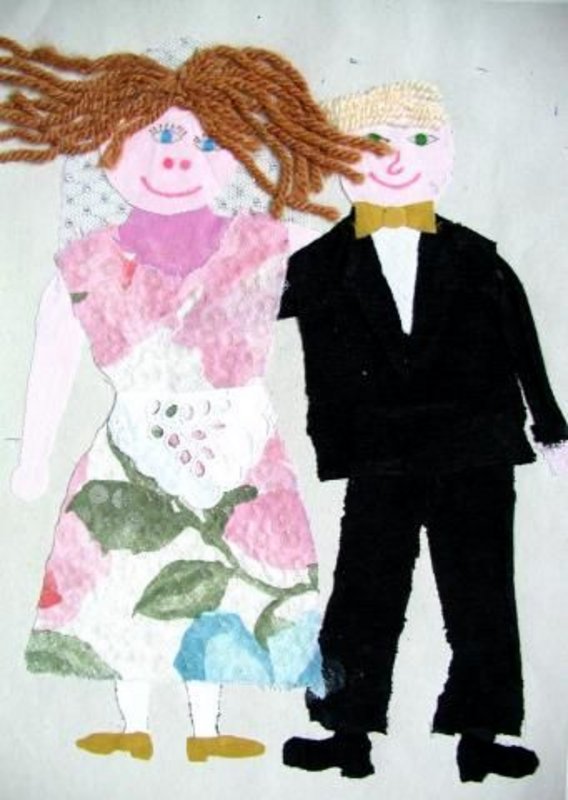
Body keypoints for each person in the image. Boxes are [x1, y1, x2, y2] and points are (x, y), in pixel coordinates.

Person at [0, 37, 388, 762]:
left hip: (239, 448)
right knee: (125, 582)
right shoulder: (87, 261)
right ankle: (132, 723)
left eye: (206, 142)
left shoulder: (267, 242)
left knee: (227, 595)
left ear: (239, 156)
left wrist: (348, 169)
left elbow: (350, 264)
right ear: (110, 148)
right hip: (132, 449)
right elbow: (55, 351)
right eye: (159, 138)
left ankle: (208, 731)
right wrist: (34, 455)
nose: (178, 157)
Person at [280, 81, 568, 781]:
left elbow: (521, 337)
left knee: (481, 592)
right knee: (364, 591)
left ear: (446, 154)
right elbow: (242, 308)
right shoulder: (320, 263)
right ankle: (347, 731)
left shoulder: (476, 256)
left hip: (475, 447)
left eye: (418, 140)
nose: (395, 158)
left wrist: (552, 428)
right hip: (377, 452)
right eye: (372, 143)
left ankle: (482, 734)